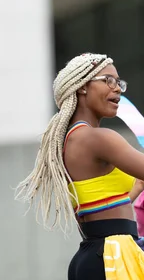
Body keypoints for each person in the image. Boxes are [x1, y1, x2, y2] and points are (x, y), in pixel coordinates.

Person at [15, 53, 144, 280]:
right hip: (113, 256)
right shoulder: (97, 138)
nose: (118, 89)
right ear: (83, 86)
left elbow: (102, 206)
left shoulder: (71, 140)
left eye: (119, 82)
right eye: (108, 80)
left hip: (94, 256)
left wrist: (136, 187)